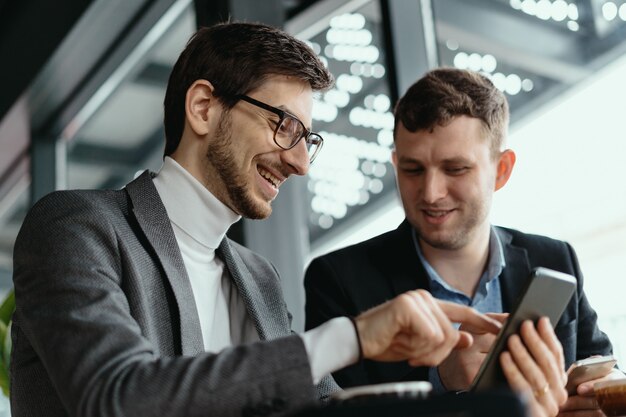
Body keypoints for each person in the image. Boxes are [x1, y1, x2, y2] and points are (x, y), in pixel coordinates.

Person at [10, 24, 504, 417]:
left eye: (307, 139)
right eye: (284, 126)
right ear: (203, 108)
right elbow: (116, 397)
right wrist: (351, 336)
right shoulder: (76, 227)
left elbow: (329, 407)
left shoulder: (256, 276)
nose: (300, 163)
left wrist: (457, 390)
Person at [305, 68, 623, 417]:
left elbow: (605, 369)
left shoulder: (554, 258)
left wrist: (599, 400)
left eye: (455, 169)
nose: (431, 193)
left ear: (501, 170)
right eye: (412, 170)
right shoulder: (337, 279)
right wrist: (442, 379)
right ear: (396, 164)